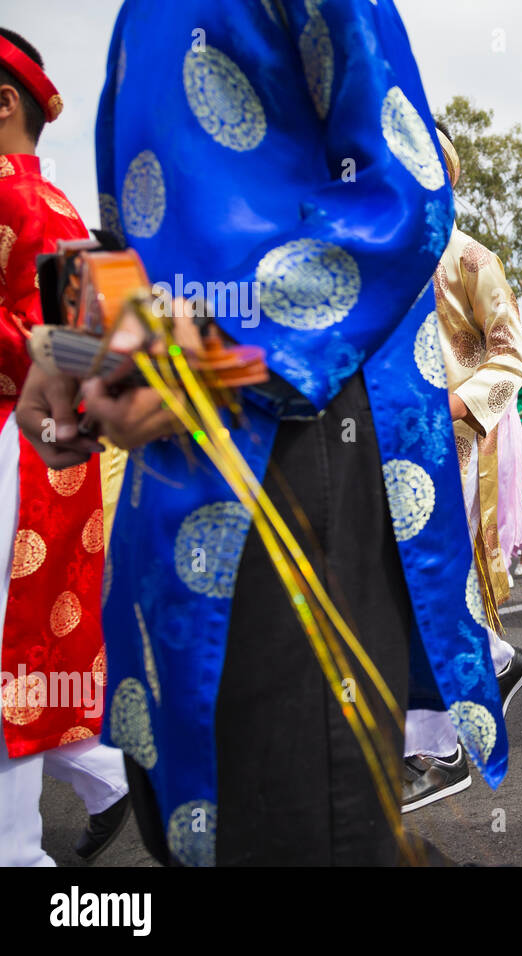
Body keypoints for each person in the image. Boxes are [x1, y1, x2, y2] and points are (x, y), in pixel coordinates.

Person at [17, 0, 505, 865]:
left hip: (294, 432)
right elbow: (140, 240)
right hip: (176, 449)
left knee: (294, 821)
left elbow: (404, 195)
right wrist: (76, 343)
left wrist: (217, 359)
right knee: (184, 791)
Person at [0, 27, 131, 867]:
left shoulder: (21, 204)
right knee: (40, 646)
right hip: (51, 453)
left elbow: (66, 345)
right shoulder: (64, 208)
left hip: (21, 446)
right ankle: (114, 775)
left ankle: (16, 851)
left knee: (16, 652)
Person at [402, 127, 522, 812]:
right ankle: (497, 659)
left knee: (428, 575)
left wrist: (454, 402)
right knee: (396, 578)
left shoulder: (470, 257)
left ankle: (434, 746)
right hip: (377, 445)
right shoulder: (375, 258)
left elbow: (513, 360)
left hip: (449, 446)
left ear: (447, 178)